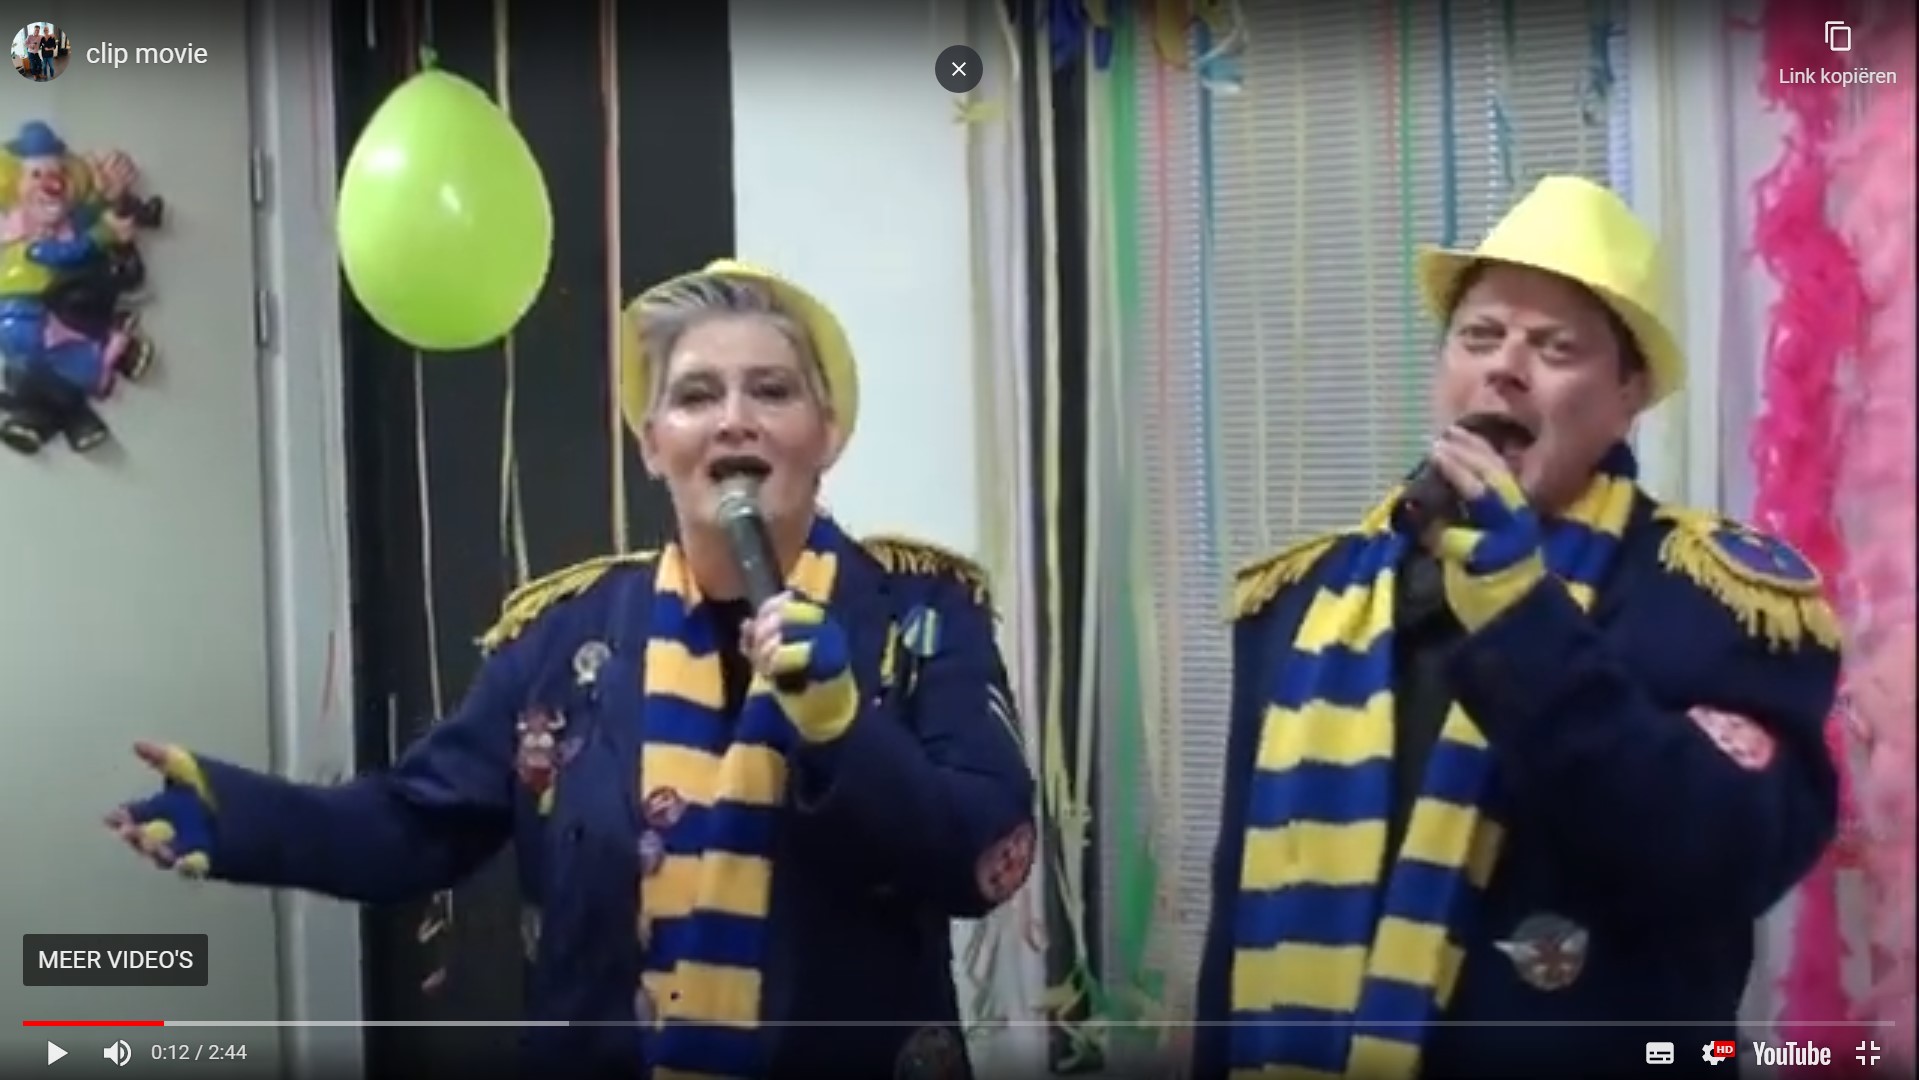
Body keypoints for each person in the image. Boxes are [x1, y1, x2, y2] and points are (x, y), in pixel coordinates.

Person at [108, 259, 1039, 1079]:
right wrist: (250, 822)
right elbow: (417, 824)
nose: (734, 420)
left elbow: (984, 860)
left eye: (771, 391)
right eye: (696, 396)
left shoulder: (922, 617)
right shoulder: (564, 636)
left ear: (826, 433)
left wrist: (842, 727)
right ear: (652, 443)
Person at [1191, 176, 1842, 1078]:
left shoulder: (1712, 599)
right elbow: (1235, 932)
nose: (1504, 367)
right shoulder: (1300, 604)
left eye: (1554, 346)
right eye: (1479, 336)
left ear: (1628, 395)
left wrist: (1520, 619)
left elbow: (1725, 860)